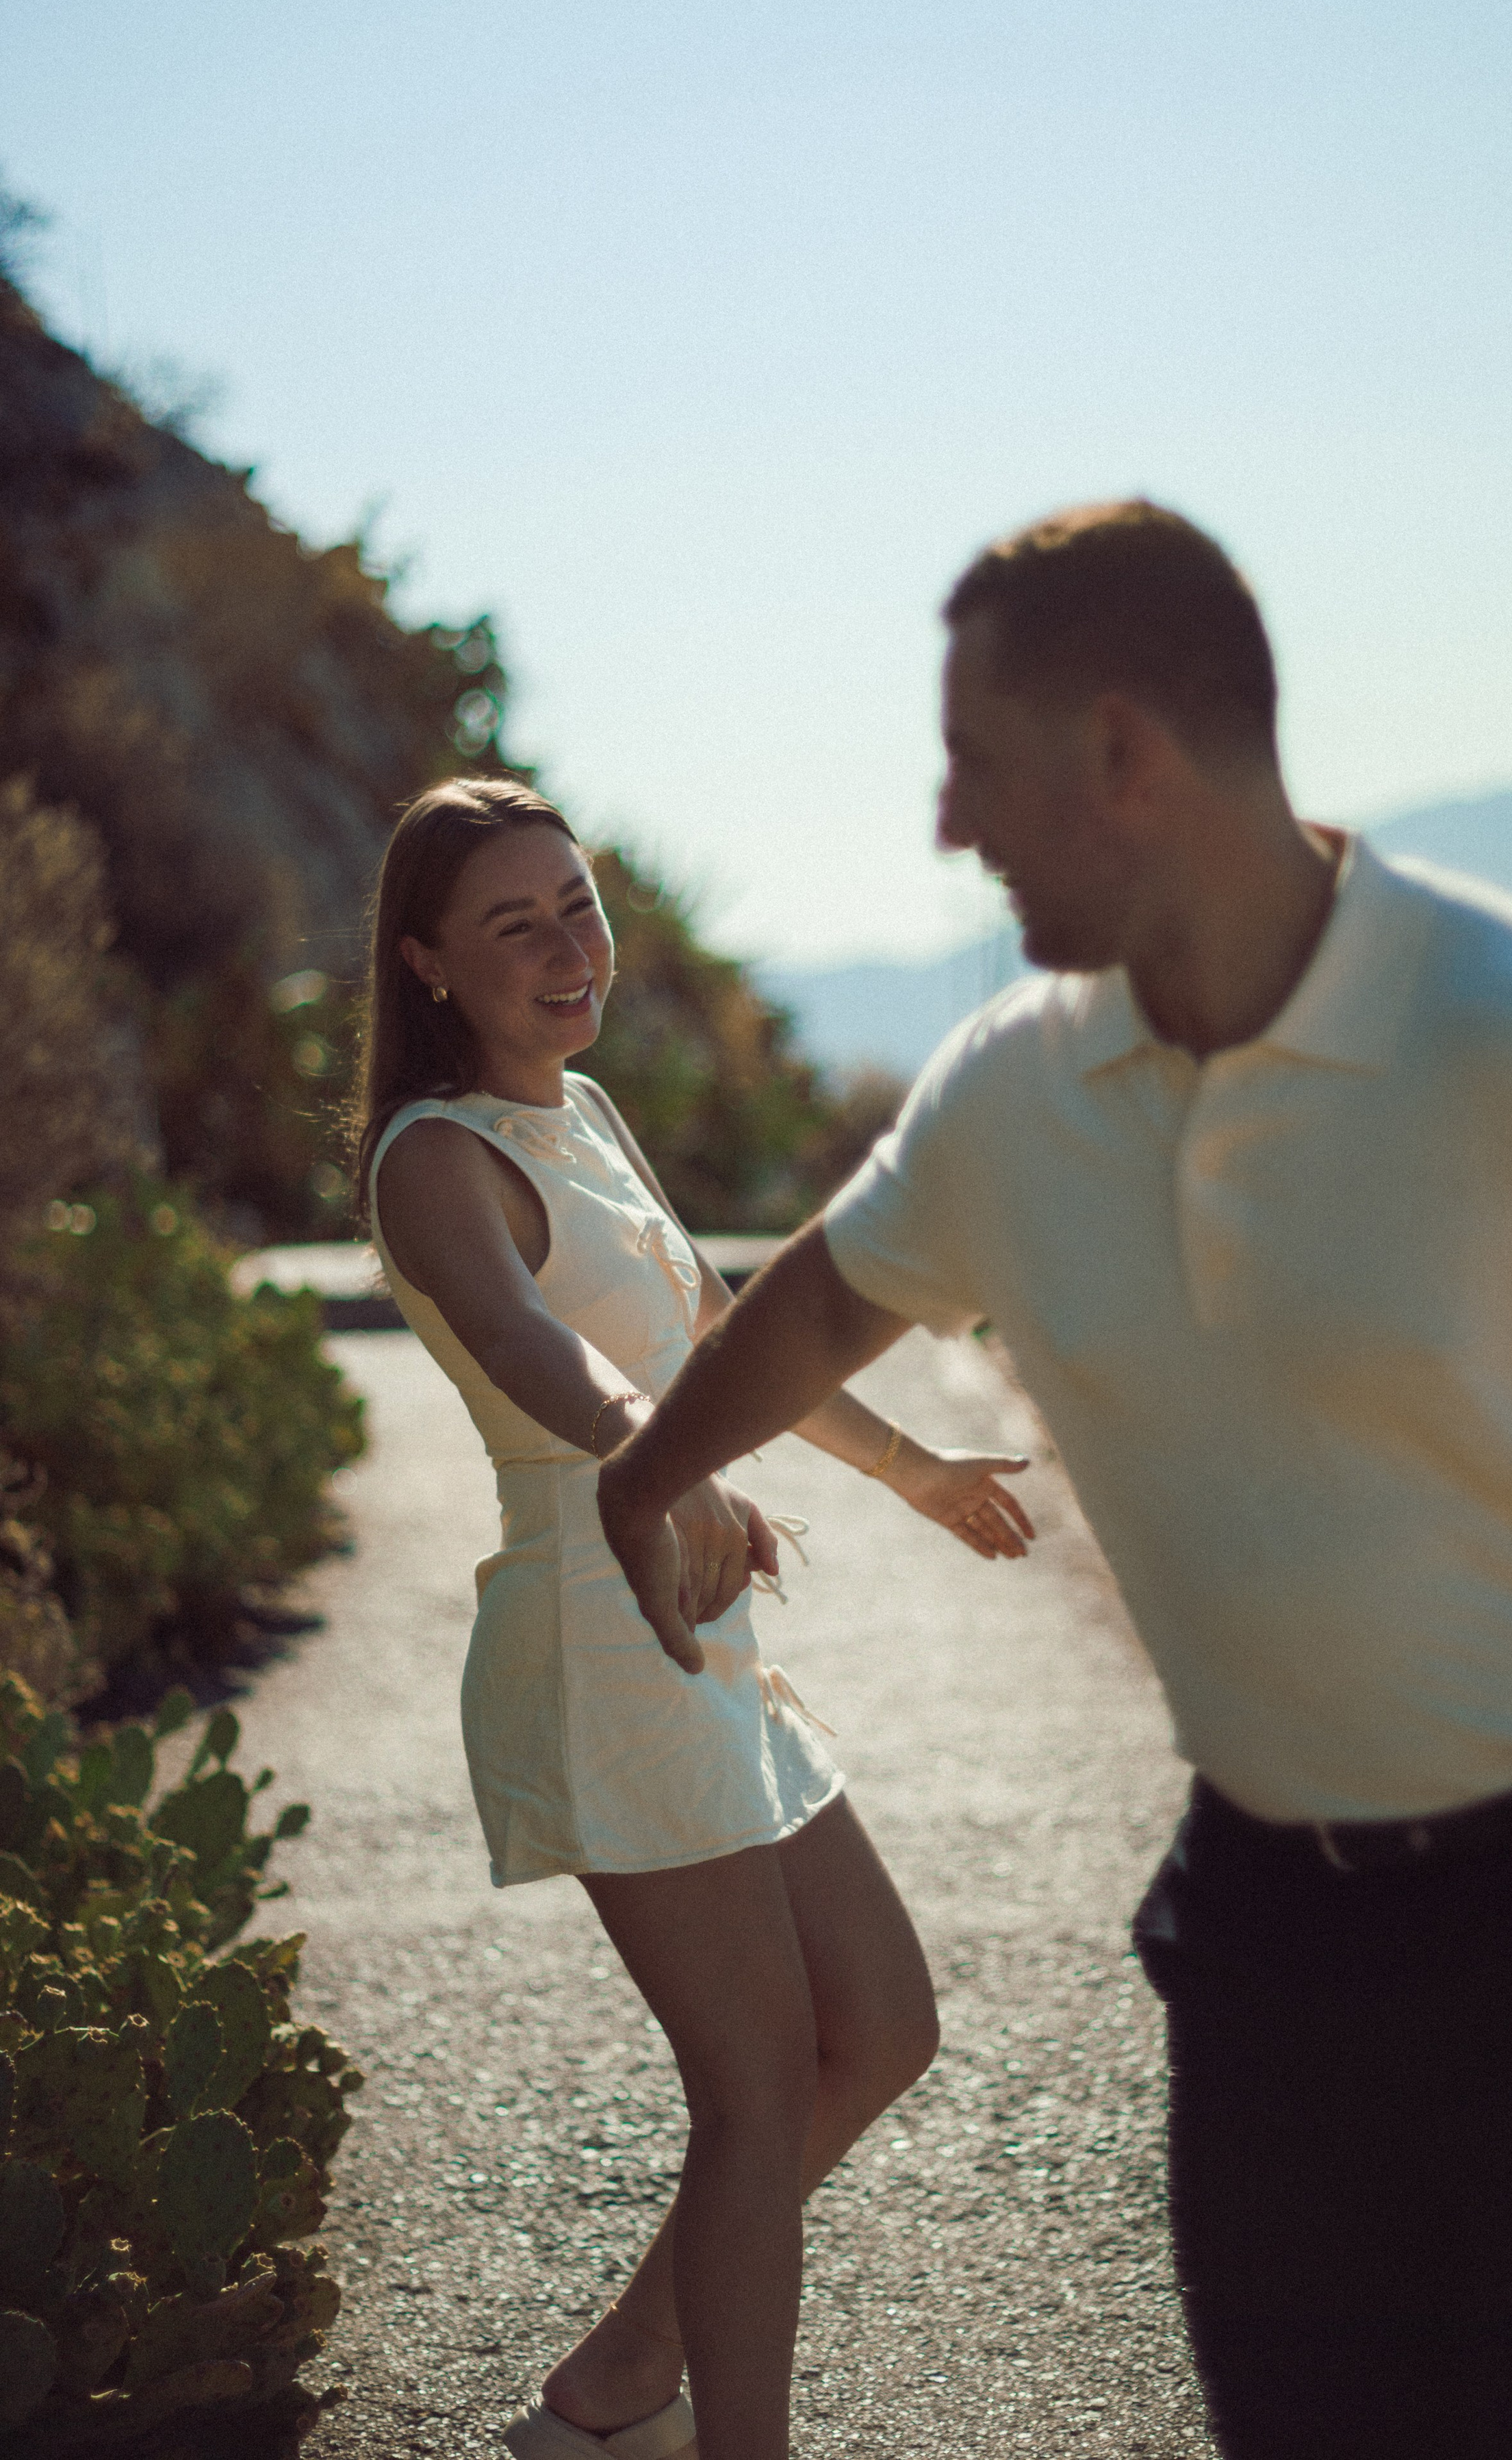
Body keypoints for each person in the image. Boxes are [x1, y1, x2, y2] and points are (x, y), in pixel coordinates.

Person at [597, 500, 1512, 2460]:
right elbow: (824, 1303)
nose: (949, 822)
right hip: (1275, 1953)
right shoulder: (1011, 1090)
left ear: (1124, 754)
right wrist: (645, 1480)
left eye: (973, 761)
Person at [353, 776, 1035, 2460]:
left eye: (576, 904)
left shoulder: (580, 1114)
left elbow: (723, 1329)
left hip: (694, 1617)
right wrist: (650, 1468)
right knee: (748, 2096)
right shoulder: (433, 1159)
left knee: (879, 2025)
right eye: (513, 924)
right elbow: (535, 1346)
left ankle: (604, 2394)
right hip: (603, 1631)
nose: (565, 947)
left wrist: (910, 1470)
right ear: (427, 962)